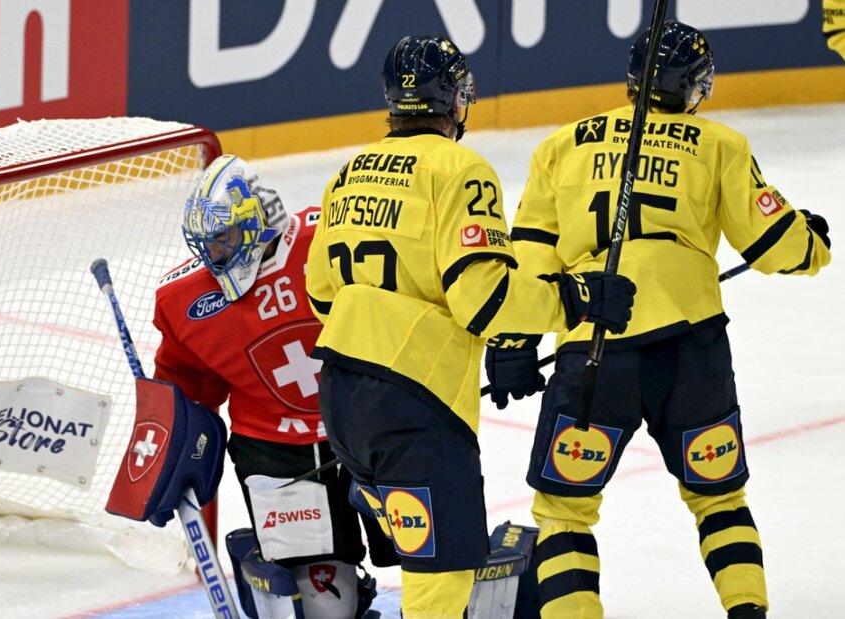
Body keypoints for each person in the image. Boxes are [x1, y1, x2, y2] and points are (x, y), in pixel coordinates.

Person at [485, 20, 832, 619]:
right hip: (690, 352)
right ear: (698, 86)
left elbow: (533, 253)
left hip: (594, 349)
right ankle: (747, 611)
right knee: (719, 499)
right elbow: (777, 246)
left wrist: (514, 339)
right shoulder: (719, 145)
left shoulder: (563, 145)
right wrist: (810, 239)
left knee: (564, 513)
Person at [304, 35, 637, 619]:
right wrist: (577, 298)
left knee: (427, 567)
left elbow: (320, 295)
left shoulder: (348, 173)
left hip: (342, 398)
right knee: (443, 586)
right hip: (414, 410)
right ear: (455, 101)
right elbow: (485, 300)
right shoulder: (461, 169)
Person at [152, 153, 394, 619]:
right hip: (278, 450)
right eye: (207, 245)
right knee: (325, 609)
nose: (215, 255)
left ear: (259, 217)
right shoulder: (184, 300)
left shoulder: (330, 239)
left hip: (375, 429)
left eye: (225, 239)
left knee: (433, 564)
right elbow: (184, 383)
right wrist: (169, 443)